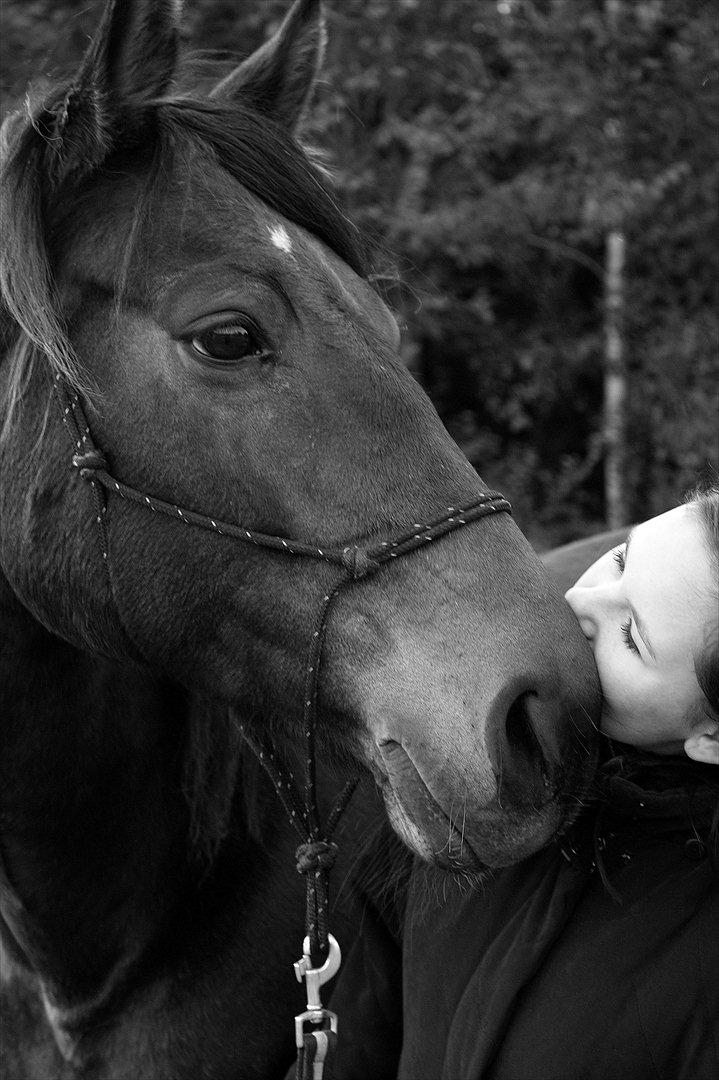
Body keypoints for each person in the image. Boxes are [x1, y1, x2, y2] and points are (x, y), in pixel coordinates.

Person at [327, 484, 719, 1080]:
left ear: (711, 738)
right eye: (620, 559)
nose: (584, 601)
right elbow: (364, 1009)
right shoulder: (481, 751)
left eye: (632, 636)